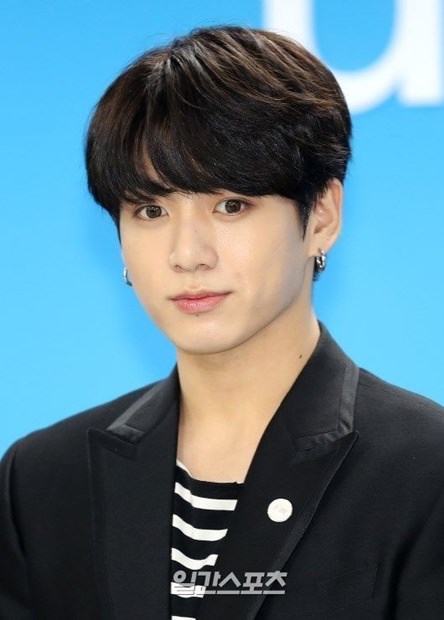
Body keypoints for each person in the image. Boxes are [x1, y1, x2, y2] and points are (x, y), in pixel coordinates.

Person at [1, 25, 443, 620]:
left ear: (321, 216)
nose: (188, 254)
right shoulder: (41, 481)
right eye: (150, 210)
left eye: (230, 205)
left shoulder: (425, 470)